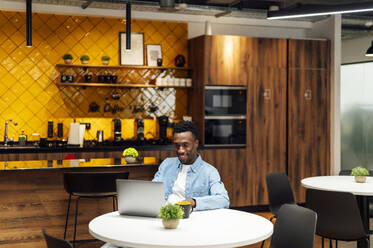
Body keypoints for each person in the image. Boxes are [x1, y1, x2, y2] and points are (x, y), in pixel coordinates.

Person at [153, 120, 230, 211]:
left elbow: (223, 200)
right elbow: (152, 191)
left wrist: (193, 202)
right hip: (163, 215)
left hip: (190, 219)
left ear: (196, 143)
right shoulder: (166, 164)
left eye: (185, 145)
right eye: (177, 145)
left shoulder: (209, 172)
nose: (180, 150)